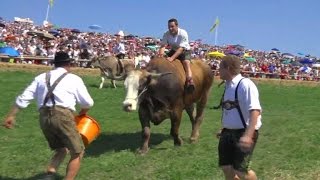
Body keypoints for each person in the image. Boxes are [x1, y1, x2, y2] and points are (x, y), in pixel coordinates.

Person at [3, 51, 94, 180]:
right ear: (69, 64)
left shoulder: (41, 77)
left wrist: (11, 115)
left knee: (61, 149)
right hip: (63, 116)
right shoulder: (74, 79)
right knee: (78, 152)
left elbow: (24, 97)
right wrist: (83, 112)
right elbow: (87, 102)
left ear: (54, 64)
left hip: (44, 117)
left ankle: (49, 175)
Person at [216, 55, 262, 180]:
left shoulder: (245, 84)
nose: (218, 70)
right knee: (227, 167)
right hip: (228, 133)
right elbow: (231, 110)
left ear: (228, 68)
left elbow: (255, 110)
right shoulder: (228, 85)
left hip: (244, 132)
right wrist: (225, 128)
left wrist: (248, 135)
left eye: (220, 68)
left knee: (241, 170)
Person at [158, 18, 194, 92]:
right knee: (162, 62)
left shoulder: (183, 33)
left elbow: (181, 49)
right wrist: (161, 55)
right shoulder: (166, 34)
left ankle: (190, 81)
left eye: (172, 26)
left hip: (184, 51)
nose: (170, 29)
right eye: (169, 27)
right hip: (174, 50)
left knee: (186, 63)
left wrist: (171, 58)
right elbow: (163, 46)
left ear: (177, 26)